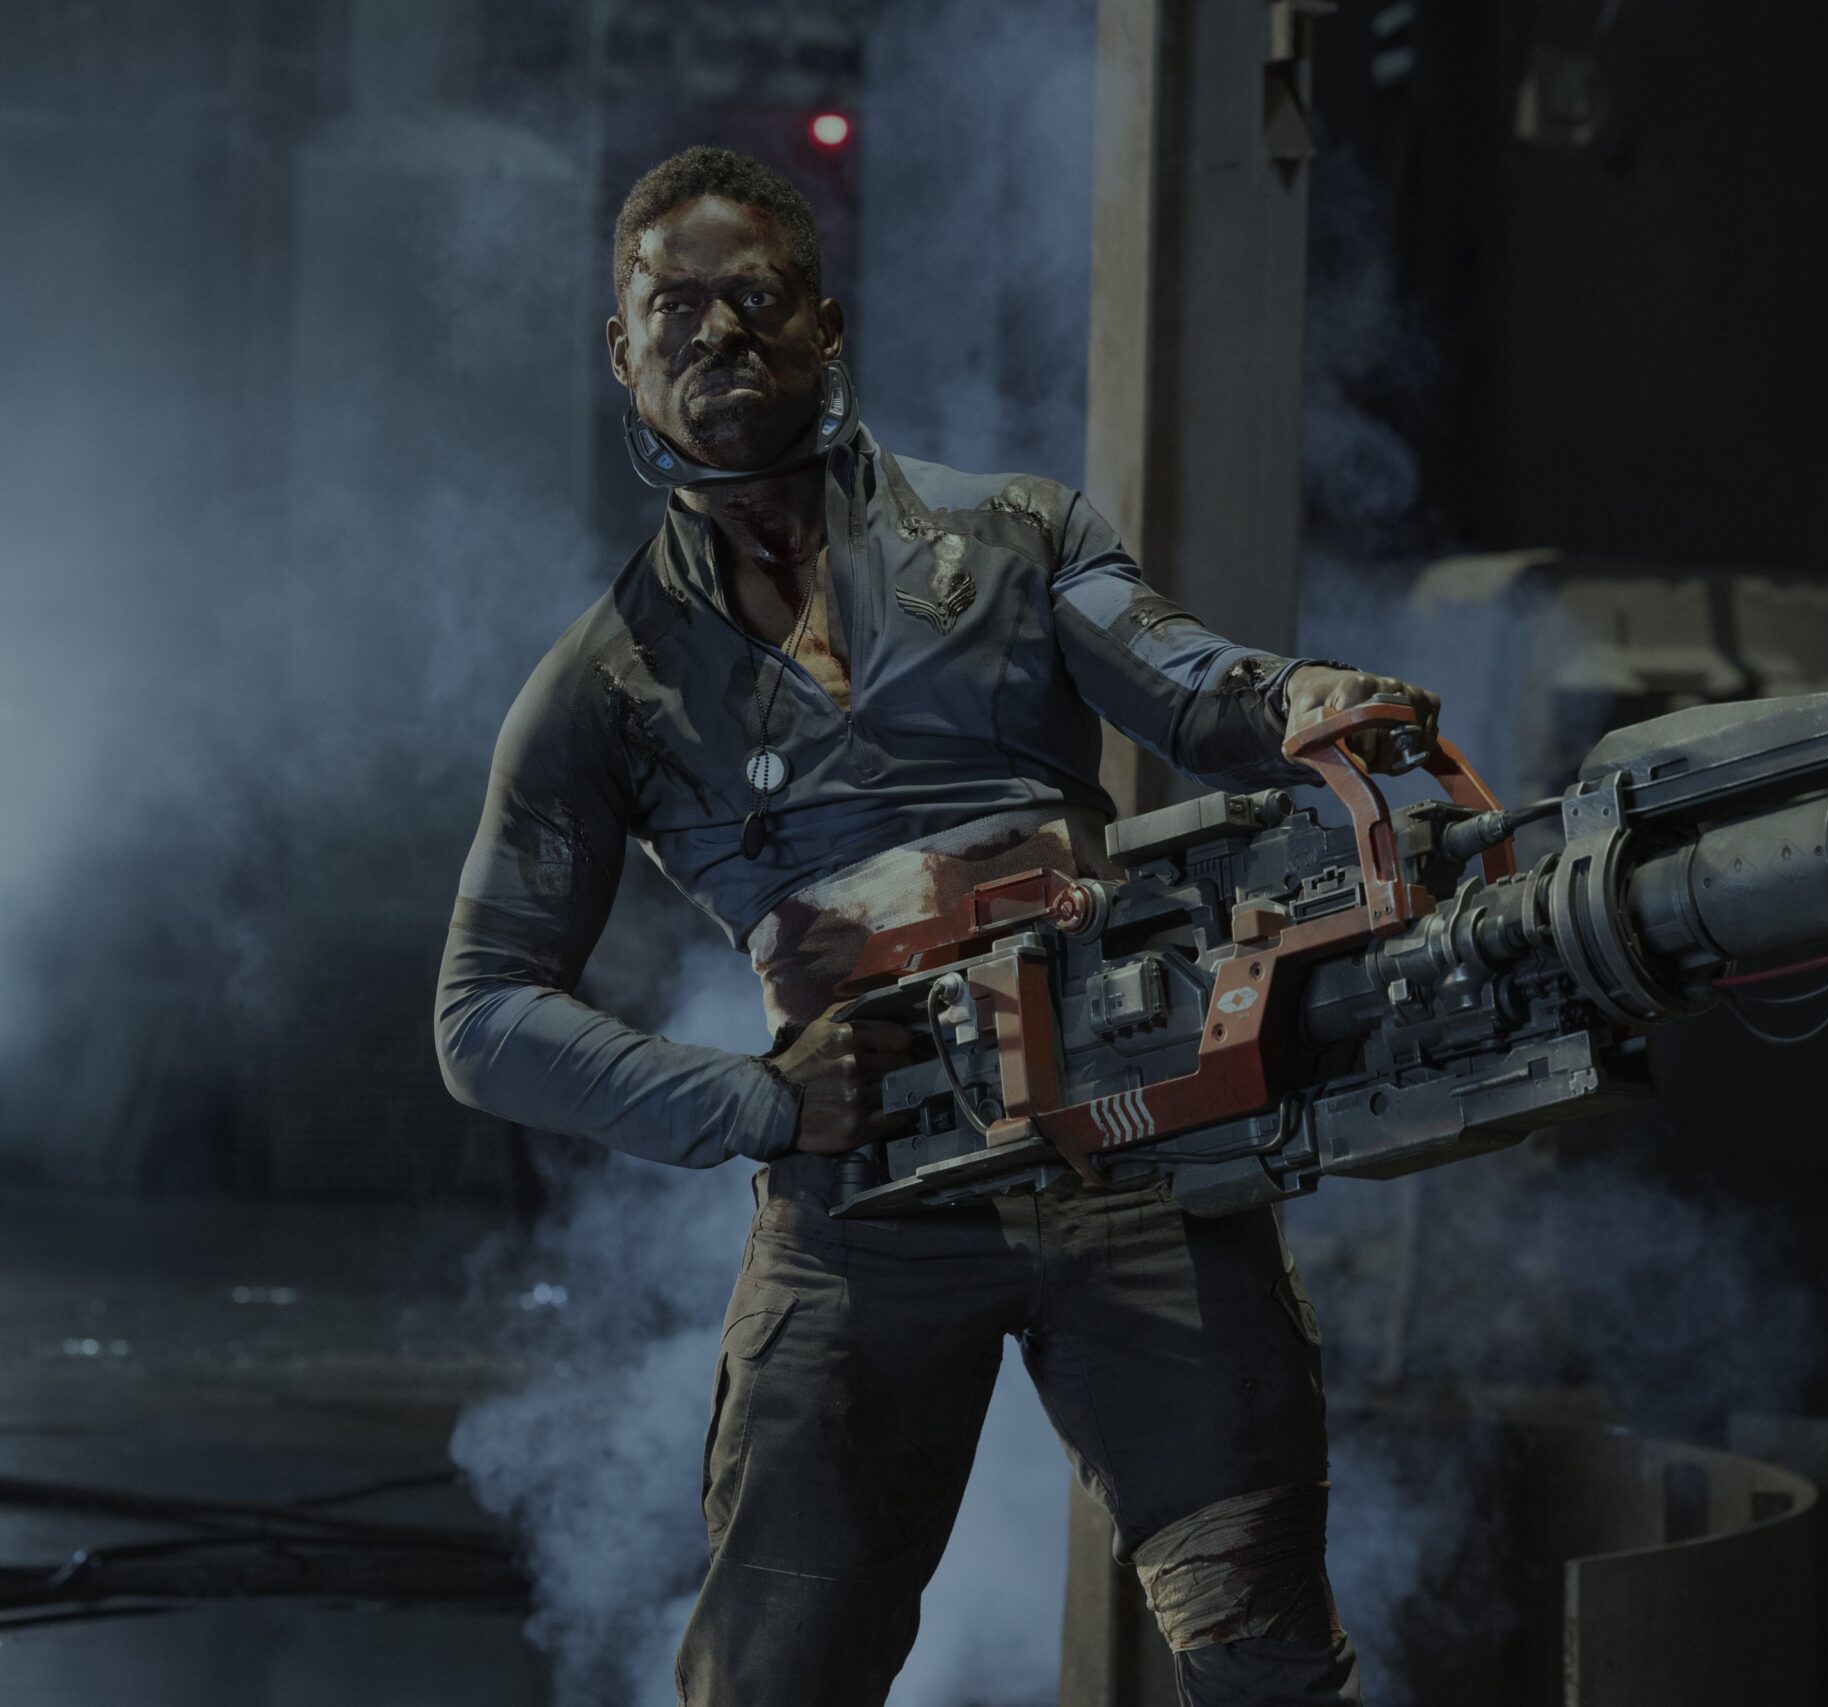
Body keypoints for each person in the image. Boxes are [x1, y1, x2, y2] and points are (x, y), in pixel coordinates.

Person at [435, 145, 1435, 1706]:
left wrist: (1302, 695)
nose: (719, 331)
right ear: (622, 354)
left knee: (1270, 1668)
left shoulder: (1017, 538)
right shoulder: (603, 688)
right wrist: (759, 1102)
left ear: (826, 329)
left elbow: (1193, 686)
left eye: (758, 296)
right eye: (675, 308)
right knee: (771, 1687)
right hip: (863, 1211)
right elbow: (482, 1019)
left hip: (1132, 1154)